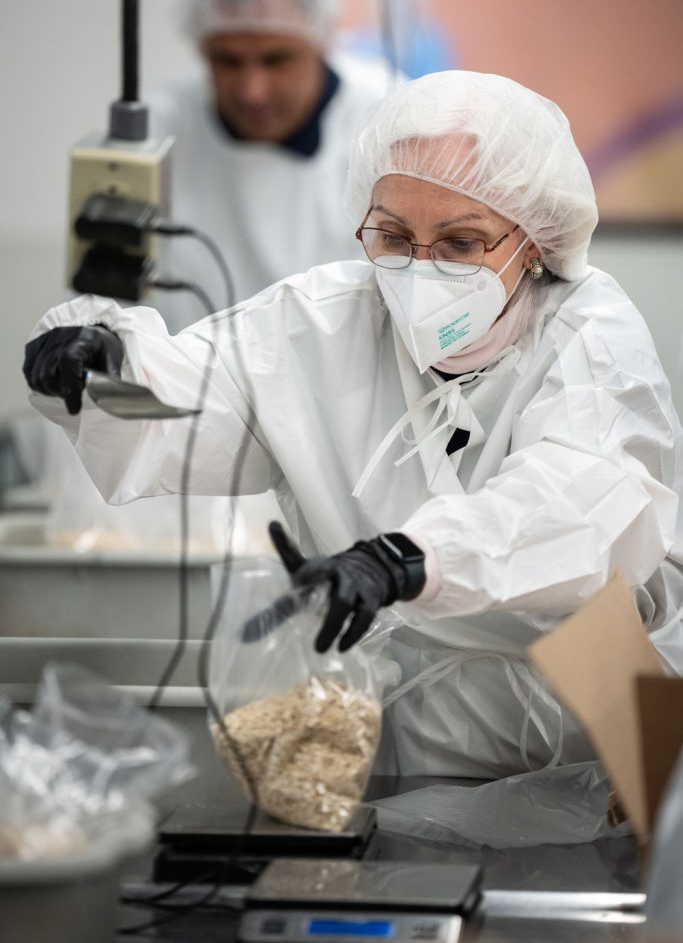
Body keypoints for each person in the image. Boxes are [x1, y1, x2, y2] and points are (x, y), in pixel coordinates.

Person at [23, 70, 683, 779]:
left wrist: (406, 560)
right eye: (393, 235)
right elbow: (188, 405)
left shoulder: (587, 334)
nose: (417, 270)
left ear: (534, 242)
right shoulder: (322, 319)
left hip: (572, 721)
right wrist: (99, 366)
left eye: (461, 243)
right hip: (378, 721)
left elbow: (577, 510)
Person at [148, 0, 395, 332]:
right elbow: (108, 286)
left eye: (276, 60)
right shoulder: (158, 127)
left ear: (321, 41)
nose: (252, 90)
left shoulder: (389, 118)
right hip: (195, 385)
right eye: (228, 61)